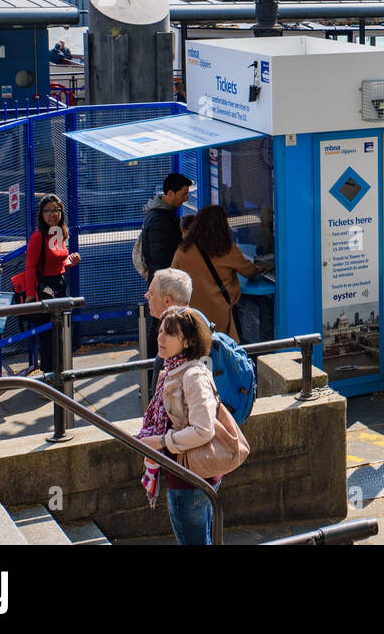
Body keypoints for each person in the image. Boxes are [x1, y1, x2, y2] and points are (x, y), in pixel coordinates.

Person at [136, 306, 220, 545]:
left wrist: (162, 441)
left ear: (188, 341)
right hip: (186, 472)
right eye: (160, 331)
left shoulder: (192, 375)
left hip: (190, 478)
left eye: (170, 333)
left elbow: (204, 429)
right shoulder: (172, 369)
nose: (160, 338)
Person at [171, 205, 266, 341]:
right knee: (220, 350)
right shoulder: (225, 248)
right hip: (219, 313)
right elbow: (249, 272)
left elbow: (173, 278)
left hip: (192, 314)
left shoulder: (183, 250)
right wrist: (261, 268)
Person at [21, 195, 80, 374]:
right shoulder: (38, 236)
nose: (52, 214)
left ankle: (59, 371)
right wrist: (31, 295)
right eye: (48, 211)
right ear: (41, 214)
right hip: (45, 288)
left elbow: (58, 261)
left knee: (59, 331)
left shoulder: (59, 232)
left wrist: (70, 261)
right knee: (48, 335)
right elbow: (30, 266)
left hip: (59, 285)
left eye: (56, 210)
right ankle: (49, 375)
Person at [140, 173, 192, 361]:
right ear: (170, 193)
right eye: (183, 194)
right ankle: (154, 377)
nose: (186, 198)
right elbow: (161, 255)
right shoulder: (161, 220)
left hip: (162, 282)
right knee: (159, 329)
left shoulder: (162, 215)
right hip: (164, 284)